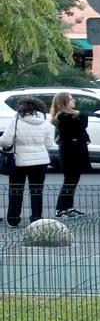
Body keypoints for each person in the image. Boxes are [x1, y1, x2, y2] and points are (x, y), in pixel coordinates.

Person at [1, 97, 54, 227]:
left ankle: (13, 218)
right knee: (37, 190)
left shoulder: (16, 121)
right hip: (41, 161)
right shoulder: (46, 122)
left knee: (16, 189)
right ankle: (36, 217)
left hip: (19, 161)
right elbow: (49, 143)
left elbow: (6, 141)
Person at [50, 92, 90, 218]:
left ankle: (68, 207)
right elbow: (82, 124)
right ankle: (61, 208)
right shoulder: (63, 116)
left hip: (75, 150)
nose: (74, 101)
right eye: (71, 99)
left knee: (73, 180)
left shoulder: (70, 115)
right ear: (64, 102)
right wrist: (78, 113)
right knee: (70, 180)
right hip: (69, 152)